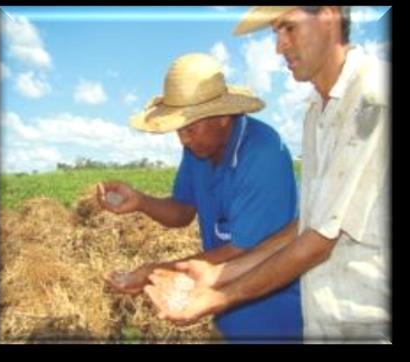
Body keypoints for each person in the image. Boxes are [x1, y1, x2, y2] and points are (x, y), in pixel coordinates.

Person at [145, 6, 391, 343]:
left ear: (330, 16)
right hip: (324, 322)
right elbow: (308, 223)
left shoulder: (372, 99)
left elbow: (318, 242)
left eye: (289, 28)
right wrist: (217, 273)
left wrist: (216, 296)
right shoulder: (317, 111)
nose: (279, 45)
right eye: (276, 31)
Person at [97, 53, 303, 342]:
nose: (183, 139)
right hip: (222, 309)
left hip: (274, 317)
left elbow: (243, 251)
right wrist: (141, 201)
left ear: (221, 117)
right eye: (179, 129)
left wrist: (153, 271)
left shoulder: (263, 153)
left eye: (190, 128)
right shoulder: (198, 149)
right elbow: (182, 211)